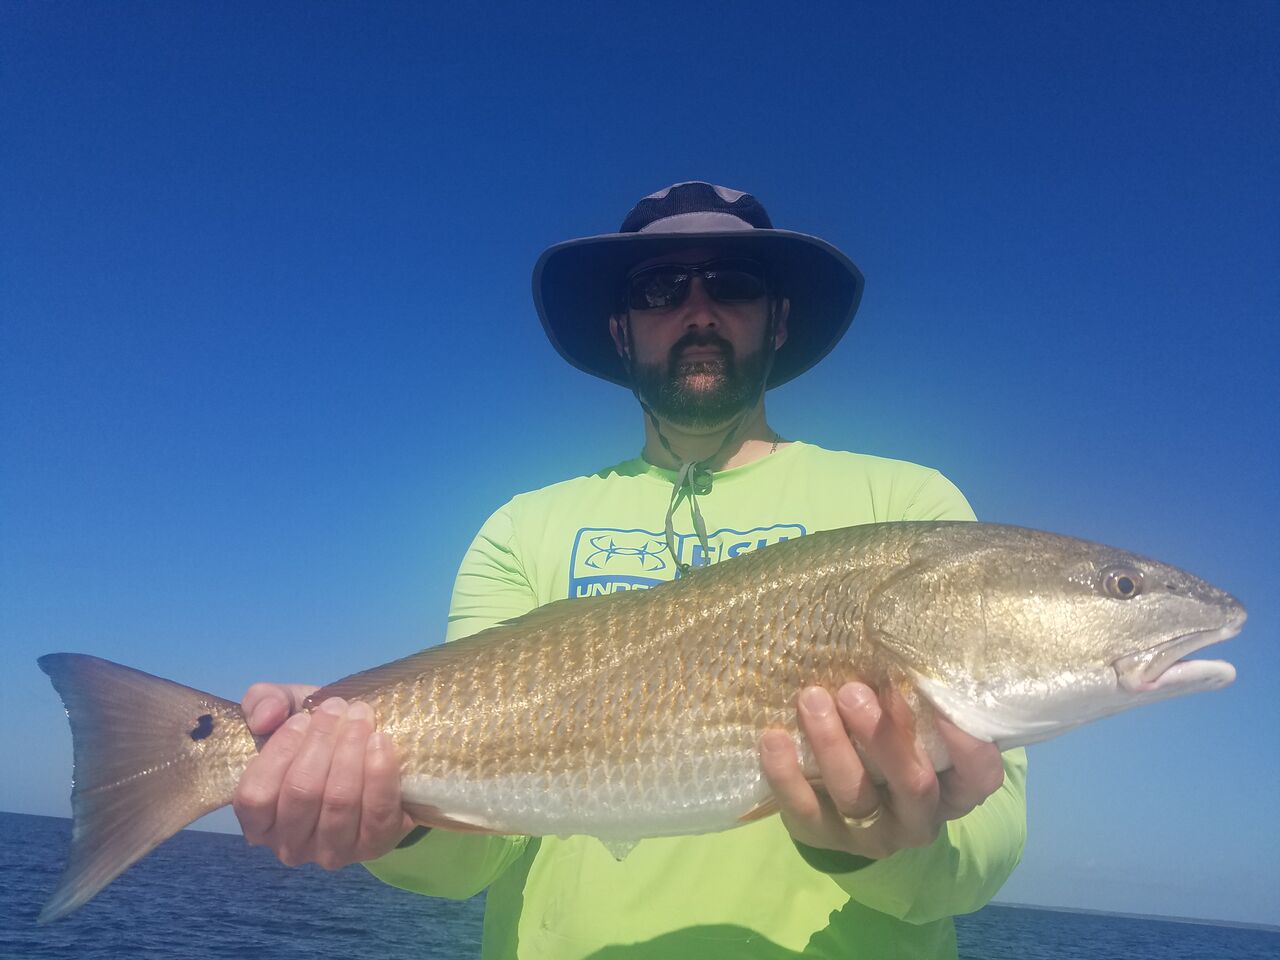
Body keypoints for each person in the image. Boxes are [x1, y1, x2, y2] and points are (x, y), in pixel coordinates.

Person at [233, 182, 1027, 959]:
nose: (698, 310)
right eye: (659, 289)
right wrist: (387, 811)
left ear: (779, 319)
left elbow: (986, 846)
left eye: (735, 283)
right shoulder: (521, 530)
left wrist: (880, 849)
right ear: (621, 331)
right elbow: (474, 861)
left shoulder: (907, 507)